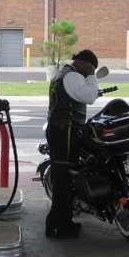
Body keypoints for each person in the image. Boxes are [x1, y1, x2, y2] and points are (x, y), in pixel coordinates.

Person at [45, 49, 99, 239]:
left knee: (64, 180)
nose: (90, 71)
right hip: (65, 132)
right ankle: (56, 226)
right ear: (83, 63)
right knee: (64, 181)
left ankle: (63, 222)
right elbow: (90, 97)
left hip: (60, 131)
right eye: (91, 67)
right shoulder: (73, 77)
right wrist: (92, 76)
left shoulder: (63, 75)